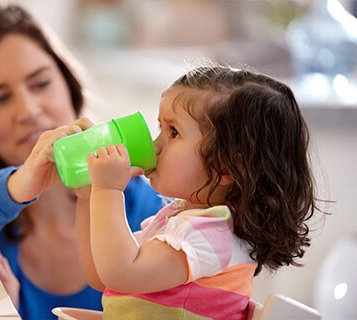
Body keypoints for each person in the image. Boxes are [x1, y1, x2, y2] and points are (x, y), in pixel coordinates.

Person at [0, 5, 163, 319]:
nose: (29, 110)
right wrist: (17, 185)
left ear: (68, 86)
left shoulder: (144, 208)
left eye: (41, 84)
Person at [75, 65, 323, 319]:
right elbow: (102, 275)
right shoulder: (182, 221)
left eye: (173, 132)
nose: (155, 144)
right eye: (160, 128)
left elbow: (121, 273)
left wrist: (108, 190)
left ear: (225, 166)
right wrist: (88, 196)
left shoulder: (212, 234)